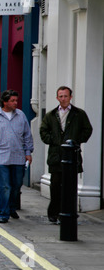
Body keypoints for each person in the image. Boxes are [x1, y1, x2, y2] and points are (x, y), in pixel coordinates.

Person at [0, 89, 34, 223]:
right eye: (12, 100)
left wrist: (28, 152)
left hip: (18, 157)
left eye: (16, 100)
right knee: (4, 186)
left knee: (16, 185)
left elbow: (27, 135)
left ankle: (11, 207)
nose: (16, 103)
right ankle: (4, 213)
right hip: (0, 157)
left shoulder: (21, 116)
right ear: (5, 102)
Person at [39, 86, 93, 223]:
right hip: (56, 156)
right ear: (57, 98)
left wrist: (75, 141)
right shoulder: (51, 115)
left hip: (72, 156)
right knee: (55, 186)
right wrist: (54, 140)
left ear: (70, 97)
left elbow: (87, 130)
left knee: (70, 186)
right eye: (60, 96)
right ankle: (54, 213)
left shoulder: (79, 114)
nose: (63, 99)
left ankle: (68, 212)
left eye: (66, 96)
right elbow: (43, 131)